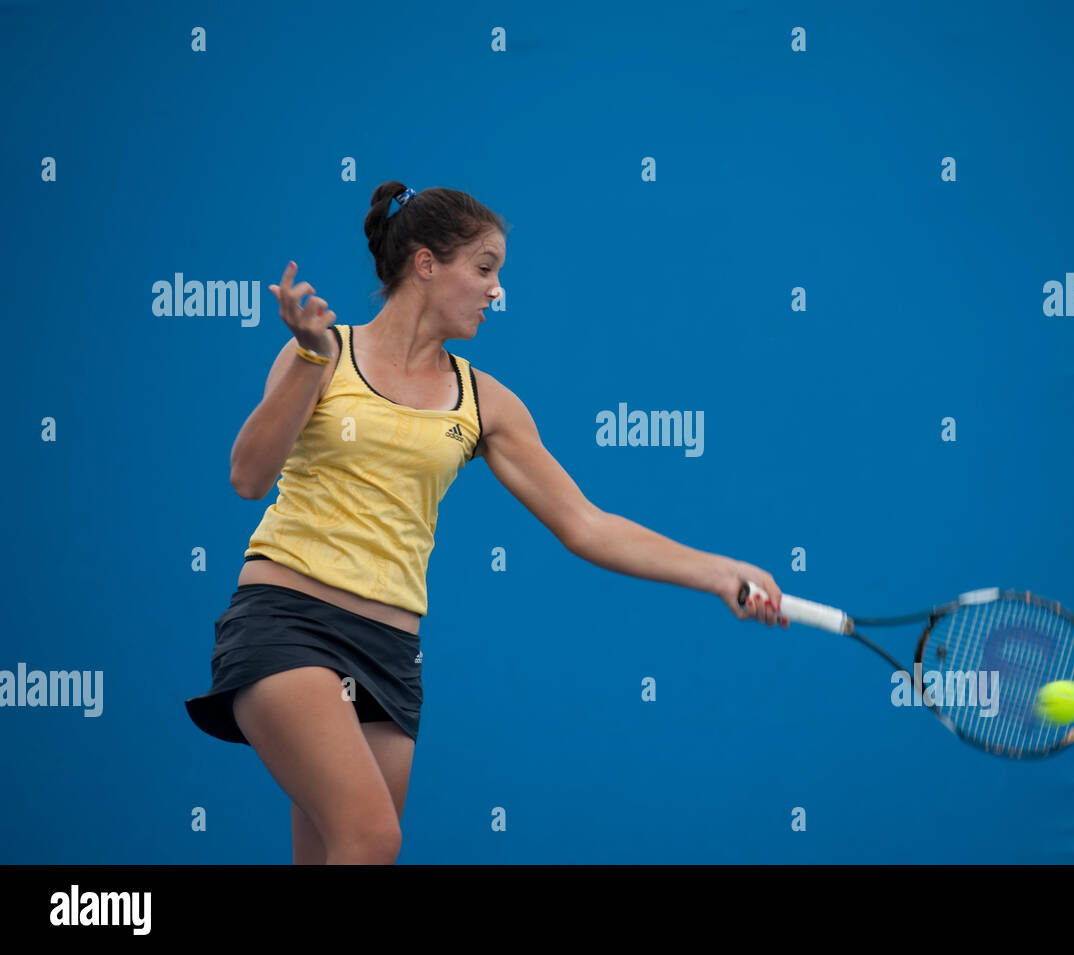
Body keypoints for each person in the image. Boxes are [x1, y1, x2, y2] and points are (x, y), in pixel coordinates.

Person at [184, 181, 788, 864]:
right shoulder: (324, 353)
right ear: (424, 264)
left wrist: (719, 573)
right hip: (285, 621)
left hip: (387, 653)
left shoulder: (485, 401)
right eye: (485, 267)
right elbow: (248, 476)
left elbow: (586, 523)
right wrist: (311, 355)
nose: (497, 289)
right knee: (371, 837)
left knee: (330, 852)